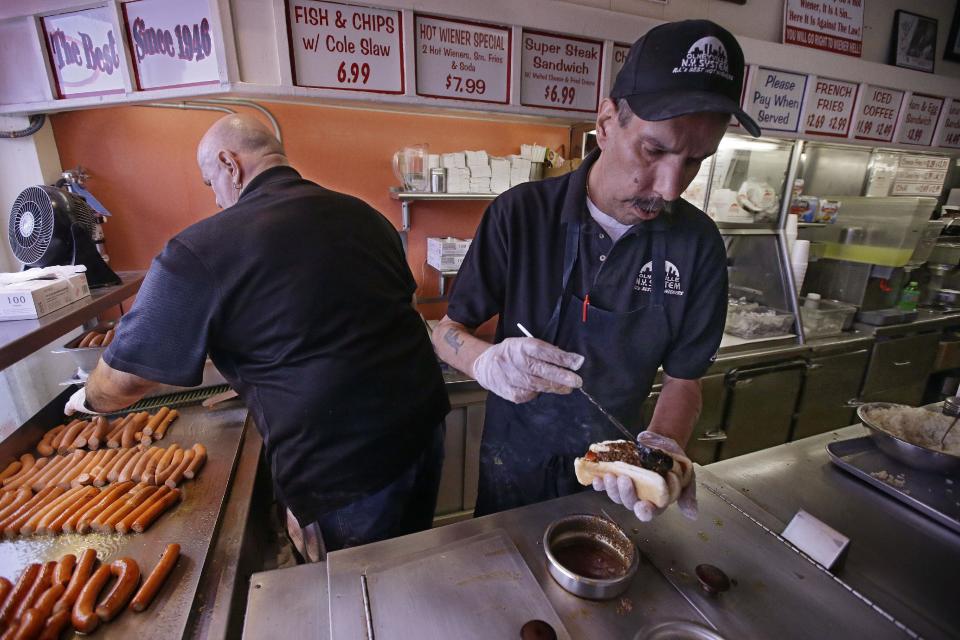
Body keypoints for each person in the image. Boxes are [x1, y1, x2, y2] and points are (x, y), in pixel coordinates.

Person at [65, 114, 450, 558]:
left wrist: (86, 402)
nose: (216, 200)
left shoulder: (200, 249)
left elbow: (125, 380)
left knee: (356, 597)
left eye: (211, 183)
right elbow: (348, 316)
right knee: (410, 568)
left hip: (343, 467)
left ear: (230, 164)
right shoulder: (365, 216)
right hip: (423, 428)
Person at [432, 20, 760, 521]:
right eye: (655, 150)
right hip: (512, 466)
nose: (671, 188)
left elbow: (684, 380)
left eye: (695, 161)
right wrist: (484, 362)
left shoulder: (699, 246)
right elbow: (446, 332)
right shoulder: (520, 215)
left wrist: (662, 449)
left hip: (615, 479)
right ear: (606, 122)